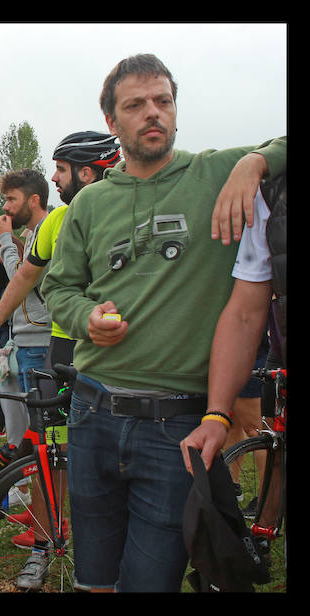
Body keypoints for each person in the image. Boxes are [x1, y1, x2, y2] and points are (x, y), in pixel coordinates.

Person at [39, 53, 286, 592]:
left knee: (150, 582)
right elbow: (58, 288)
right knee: (94, 580)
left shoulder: (215, 171)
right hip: (92, 413)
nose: (153, 114)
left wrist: (257, 162)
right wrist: (86, 318)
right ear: (113, 122)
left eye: (163, 102)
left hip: (177, 425)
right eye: (136, 105)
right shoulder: (89, 204)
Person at [0, 133, 122, 590]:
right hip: (62, 348)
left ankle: (110, 548)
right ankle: (44, 542)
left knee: (106, 452)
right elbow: (27, 275)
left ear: (88, 172)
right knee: (48, 448)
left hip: (117, 352)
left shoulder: (124, 212)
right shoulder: (56, 221)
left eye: (61, 170)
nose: (54, 178)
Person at [180, 170, 286, 543]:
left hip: (259, 347)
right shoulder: (267, 195)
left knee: (255, 427)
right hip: (264, 348)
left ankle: (263, 507)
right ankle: (260, 509)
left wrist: (253, 162)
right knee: (254, 429)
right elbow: (245, 311)